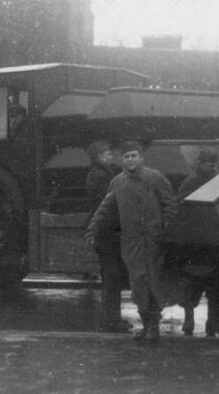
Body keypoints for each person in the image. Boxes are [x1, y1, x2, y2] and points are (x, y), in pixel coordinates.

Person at [86, 141, 177, 342]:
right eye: (126, 157)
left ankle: (153, 326)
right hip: (132, 242)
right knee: (138, 283)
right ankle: (146, 324)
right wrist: (93, 228)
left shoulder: (155, 178)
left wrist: (166, 230)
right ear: (121, 160)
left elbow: (169, 204)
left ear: (141, 157)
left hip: (153, 241)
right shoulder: (117, 182)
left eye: (134, 155)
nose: (130, 159)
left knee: (154, 280)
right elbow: (105, 208)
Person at [174, 148, 219, 337]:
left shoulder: (203, 180)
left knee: (210, 284)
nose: (214, 168)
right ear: (200, 164)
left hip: (208, 239)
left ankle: (209, 321)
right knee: (197, 283)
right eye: (210, 165)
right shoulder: (192, 181)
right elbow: (182, 204)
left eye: (215, 165)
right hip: (197, 240)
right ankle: (193, 320)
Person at [85, 141, 131, 333]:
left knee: (112, 278)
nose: (111, 156)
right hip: (107, 233)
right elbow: (109, 205)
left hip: (106, 232)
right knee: (112, 278)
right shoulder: (101, 176)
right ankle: (109, 322)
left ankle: (112, 319)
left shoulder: (102, 173)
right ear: (99, 157)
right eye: (107, 154)